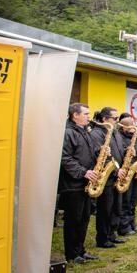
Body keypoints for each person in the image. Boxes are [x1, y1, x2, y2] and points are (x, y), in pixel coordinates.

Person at [59, 103, 100, 264]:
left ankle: (80, 250)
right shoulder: (68, 132)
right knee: (73, 220)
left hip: (85, 183)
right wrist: (83, 172)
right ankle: (71, 254)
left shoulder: (84, 131)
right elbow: (65, 158)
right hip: (73, 184)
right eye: (85, 114)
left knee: (84, 218)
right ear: (75, 115)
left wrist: (100, 152)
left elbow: (89, 152)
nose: (88, 116)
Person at [90, 107, 126, 248]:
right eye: (115, 118)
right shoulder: (96, 133)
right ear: (105, 119)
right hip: (107, 175)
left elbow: (119, 150)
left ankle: (112, 233)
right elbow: (99, 156)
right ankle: (103, 237)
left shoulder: (115, 132)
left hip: (118, 174)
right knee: (105, 209)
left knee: (116, 207)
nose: (117, 121)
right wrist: (116, 170)